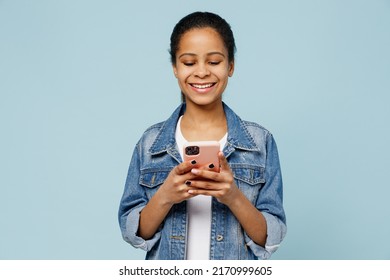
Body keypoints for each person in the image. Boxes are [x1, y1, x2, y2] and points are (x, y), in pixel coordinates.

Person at [118, 11, 286, 260]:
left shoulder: (260, 143)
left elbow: (271, 237)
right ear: (175, 68)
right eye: (188, 62)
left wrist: (233, 197)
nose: (202, 72)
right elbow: (133, 232)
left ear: (230, 66)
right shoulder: (150, 144)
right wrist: (165, 196)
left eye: (214, 62)